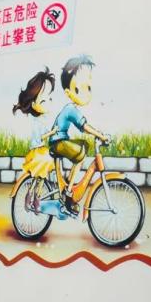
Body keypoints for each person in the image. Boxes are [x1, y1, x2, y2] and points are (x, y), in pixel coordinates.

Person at [48, 55, 109, 214]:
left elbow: (84, 127)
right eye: (78, 89)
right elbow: (84, 126)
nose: (85, 93)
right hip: (57, 142)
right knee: (81, 153)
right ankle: (68, 192)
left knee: (84, 145)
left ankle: (69, 182)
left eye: (88, 88)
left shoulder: (72, 109)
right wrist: (100, 135)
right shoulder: (71, 110)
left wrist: (98, 135)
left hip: (60, 140)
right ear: (68, 92)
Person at [13, 68, 57, 210]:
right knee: (42, 172)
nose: (48, 103)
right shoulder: (37, 121)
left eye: (50, 98)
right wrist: (53, 132)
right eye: (43, 100)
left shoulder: (43, 118)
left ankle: (34, 196)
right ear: (33, 104)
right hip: (38, 151)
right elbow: (41, 136)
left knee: (41, 176)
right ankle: (34, 196)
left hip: (41, 150)